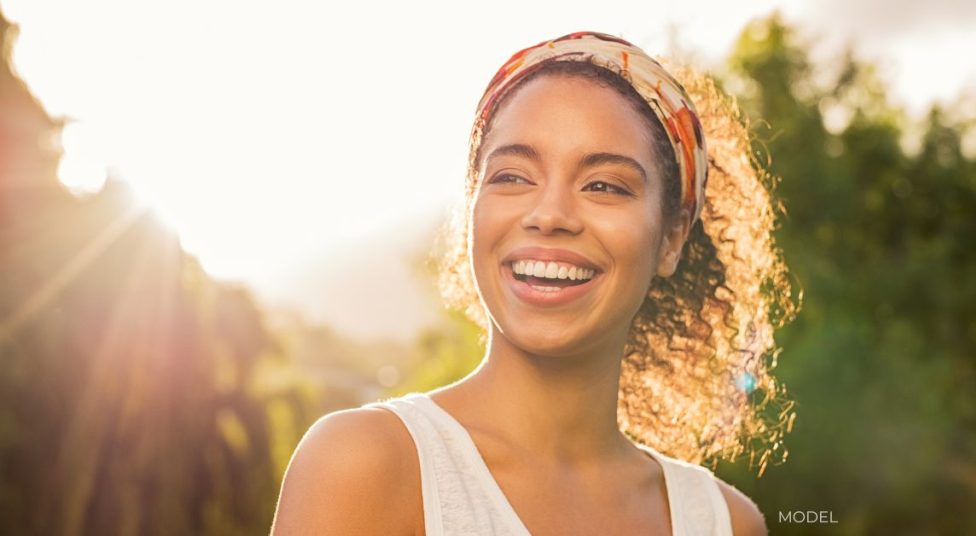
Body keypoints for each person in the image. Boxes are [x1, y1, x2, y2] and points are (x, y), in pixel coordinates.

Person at [272, 30, 797, 535]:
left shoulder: (724, 522)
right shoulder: (364, 464)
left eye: (604, 185)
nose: (549, 215)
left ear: (671, 238)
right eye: (513, 176)